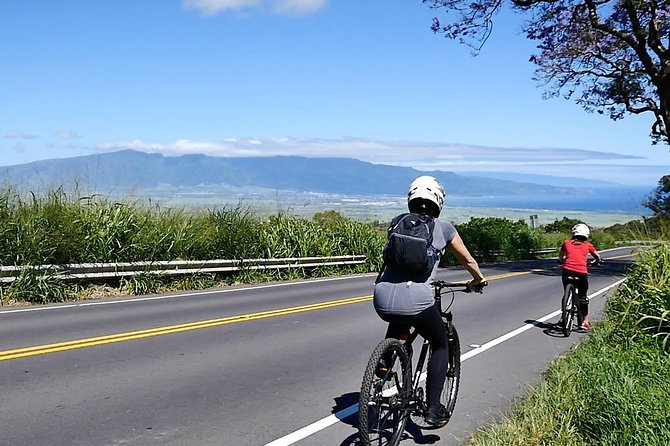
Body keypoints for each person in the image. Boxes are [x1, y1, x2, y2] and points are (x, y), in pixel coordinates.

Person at [372, 175, 487, 427]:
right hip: (417, 298)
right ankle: (434, 407)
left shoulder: (396, 223)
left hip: (381, 296)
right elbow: (467, 260)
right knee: (440, 343)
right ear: (438, 202)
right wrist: (478, 279)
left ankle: (385, 361)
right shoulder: (444, 228)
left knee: (400, 320)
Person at [558, 223, 602, 329]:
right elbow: (597, 256)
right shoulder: (588, 245)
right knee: (583, 297)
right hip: (581, 273)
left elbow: (560, 258)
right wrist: (596, 261)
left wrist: (564, 261)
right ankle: (585, 321)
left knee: (566, 293)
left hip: (567, 271)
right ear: (586, 234)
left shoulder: (566, 243)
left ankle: (563, 318)